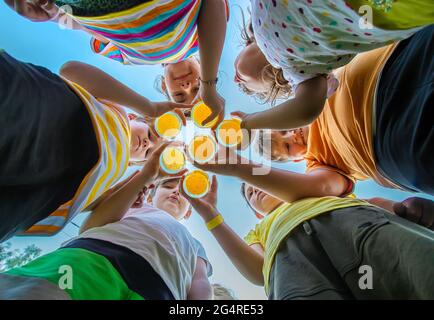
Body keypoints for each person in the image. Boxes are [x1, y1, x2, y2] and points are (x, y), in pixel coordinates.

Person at [0, 52, 189, 242]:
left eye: (148, 152)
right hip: (39, 111)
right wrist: (149, 107)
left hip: (35, 194)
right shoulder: (118, 113)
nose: (148, 143)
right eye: (149, 134)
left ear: (133, 164)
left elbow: (85, 210)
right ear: (133, 118)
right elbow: (71, 70)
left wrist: (128, 188)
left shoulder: (112, 172)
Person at [234, 25, 434, 197]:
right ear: (296, 159)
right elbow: (322, 185)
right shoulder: (317, 161)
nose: (292, 136)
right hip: (391, 139)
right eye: (287, 147)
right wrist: (235, 166)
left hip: (400, 57)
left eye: (283, 130)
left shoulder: (313, 85)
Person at [0, 142, 214, 300]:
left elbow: (199, 280)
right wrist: (144, 177)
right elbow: (91, 227)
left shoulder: (193, 244)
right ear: (151, 194)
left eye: (184, 192)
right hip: (90, 260)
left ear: (188, 213)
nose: (176, 192)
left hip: (162, 291)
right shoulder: (134, 206)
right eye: (168, 186)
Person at [181, 176, 434, 299]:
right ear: (258, 214)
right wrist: (210, 214)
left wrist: (401, 206)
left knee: (416, 269)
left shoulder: (315, 194)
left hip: (351, 224)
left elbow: (371, 202)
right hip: (293, 266)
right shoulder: (260, 230)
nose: (254, 188)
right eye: (249, 193)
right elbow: (257, 272)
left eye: (256, 183)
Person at [5, 0, 230, 125]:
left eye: (179, 96)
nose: (187, 86)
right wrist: (209, 85)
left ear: (164, 86)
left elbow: (86, 31)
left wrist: (54, 16)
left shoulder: (130, 59)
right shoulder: (204, 38)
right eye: (196, 87)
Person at [231, 1, 433, 130]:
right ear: (274, 85)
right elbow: (305, 110)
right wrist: (250, 122)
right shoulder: (298, 71)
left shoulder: (260, 12)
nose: (236, 79)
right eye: (245, 87)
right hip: (372, 11)